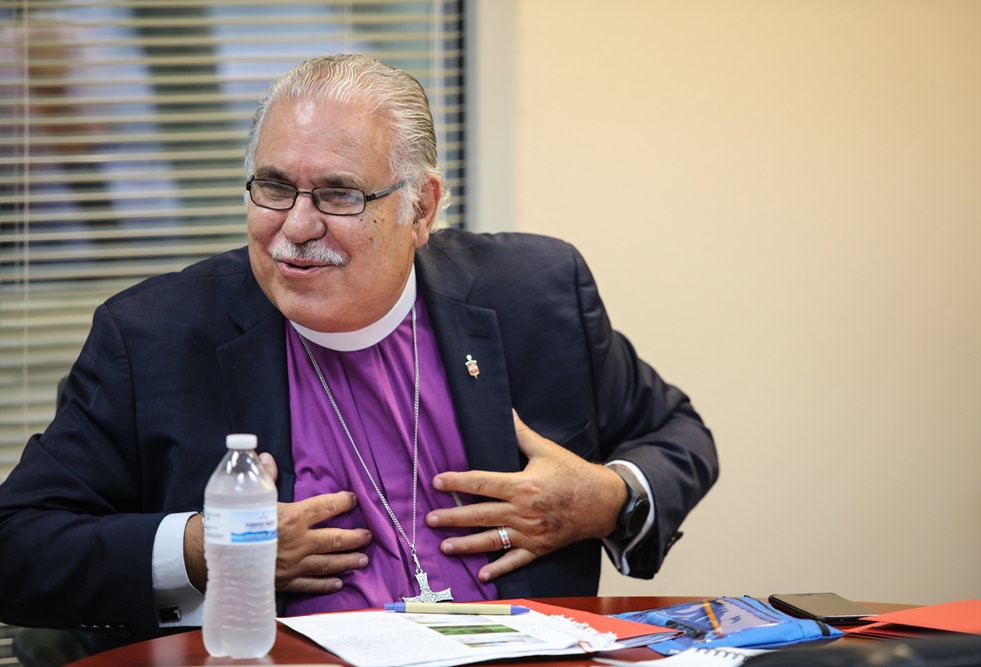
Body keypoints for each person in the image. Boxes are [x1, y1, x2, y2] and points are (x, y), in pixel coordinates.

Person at [0, 54, 718, 646]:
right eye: (274, 188)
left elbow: (677, 434)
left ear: (421, 208)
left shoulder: (535, 294)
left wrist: (608, 499)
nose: (296, 227)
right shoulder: (154, 335)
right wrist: (205, 548)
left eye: (338, 195)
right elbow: (17, 545)